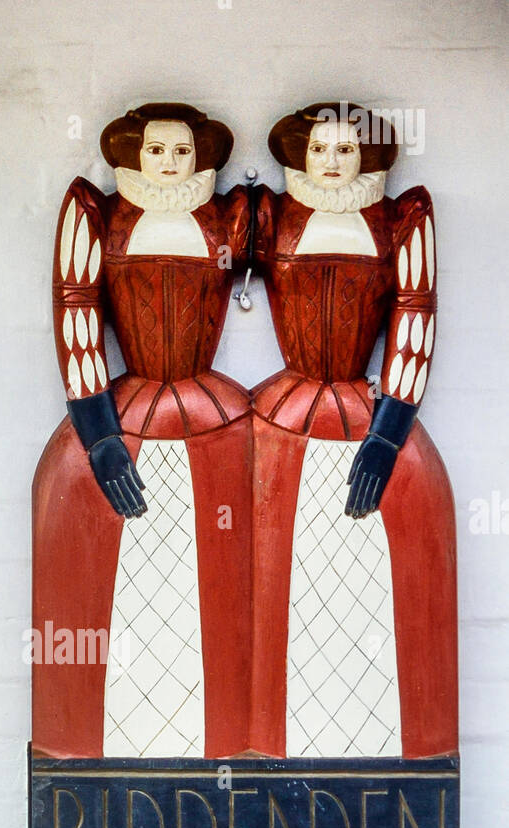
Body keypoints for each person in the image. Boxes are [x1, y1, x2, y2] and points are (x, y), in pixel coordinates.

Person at [32, 102, 252, 760]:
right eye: (157, 150)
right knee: (121, 571)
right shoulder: (99, 217)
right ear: (134, 154)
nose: (168, 163)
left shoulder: (229, 218)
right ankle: (108, 735)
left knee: (212, 578)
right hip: (125, 406)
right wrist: (97, 429)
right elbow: (75, 310)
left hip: (205, 402)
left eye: (182, 152)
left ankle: (214, 733)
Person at [249, 101, 457, 759]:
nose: (329, 162)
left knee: (359, 580)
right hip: (285, 408)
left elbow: (413, 319)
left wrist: (390, 428)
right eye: (317, 150)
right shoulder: (267, 219)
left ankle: (364, 736)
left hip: (363, 414)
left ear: (365, 158)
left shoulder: (398, 221)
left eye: (343, 150)